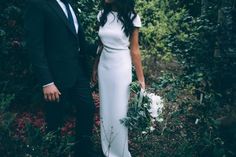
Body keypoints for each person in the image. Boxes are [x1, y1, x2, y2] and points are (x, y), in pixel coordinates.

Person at [24, 0, 98, 156]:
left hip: (78, 71)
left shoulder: (69, 5)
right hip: (55, 77)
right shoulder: (38, 4)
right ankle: (54, 152)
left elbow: (79, 42)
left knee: (87, 108)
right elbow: (35, 47)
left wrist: (104, 47)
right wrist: (47, 82)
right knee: (55, 119)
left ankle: (83, 152)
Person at [92, 0, 145, 156]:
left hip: (121, 67)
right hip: (104, 67)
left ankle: (119, 152)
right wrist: (95, 67)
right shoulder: (102, 15)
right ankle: (106, 148)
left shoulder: (132, 17)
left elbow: (135, 50)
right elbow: (100, 45)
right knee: (106, 109)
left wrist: (141, 78)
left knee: (119, 111)